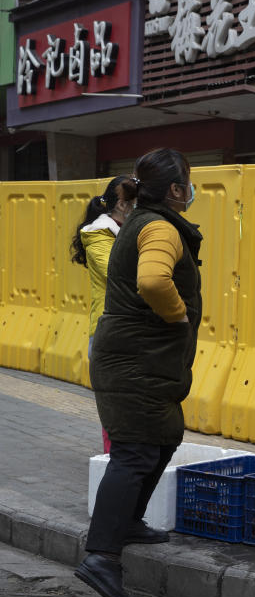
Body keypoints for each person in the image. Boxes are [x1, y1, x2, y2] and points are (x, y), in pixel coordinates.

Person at [74, 148, 202, 597]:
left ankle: (127, 522)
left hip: (142, 363)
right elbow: (152, 282)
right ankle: (101, 556)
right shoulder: (161, 227)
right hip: (134, 363)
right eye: (187, 181)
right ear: (174, 189)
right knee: (135, 452)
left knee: (164, 437)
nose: (191, 189)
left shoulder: (146, 221)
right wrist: (179, 315)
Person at [70, 176, 136, 454]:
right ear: (122, 204)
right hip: (109, 327)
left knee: (132, 400)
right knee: (115, 401)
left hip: (133, 327)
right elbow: (116, 273)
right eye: (138, 203)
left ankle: (127, 458)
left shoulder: (129, 228)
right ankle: (114, 459)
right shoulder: (98, 233)